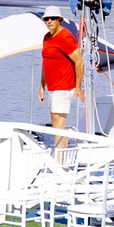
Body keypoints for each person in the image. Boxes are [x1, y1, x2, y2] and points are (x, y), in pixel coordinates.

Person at [39, 7, 80, 135]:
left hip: (63, 88)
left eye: (53, 18)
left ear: (59, 20)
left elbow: (79, 61)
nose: (49, 21)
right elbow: (46, 63)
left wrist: (78, 87)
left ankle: (60, 155)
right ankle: (59, 154)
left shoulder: (65, 37)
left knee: (59, 127)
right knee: (55, 124)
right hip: (52, 88)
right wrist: (42, 86)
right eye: (47, 19)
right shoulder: (47, 37)